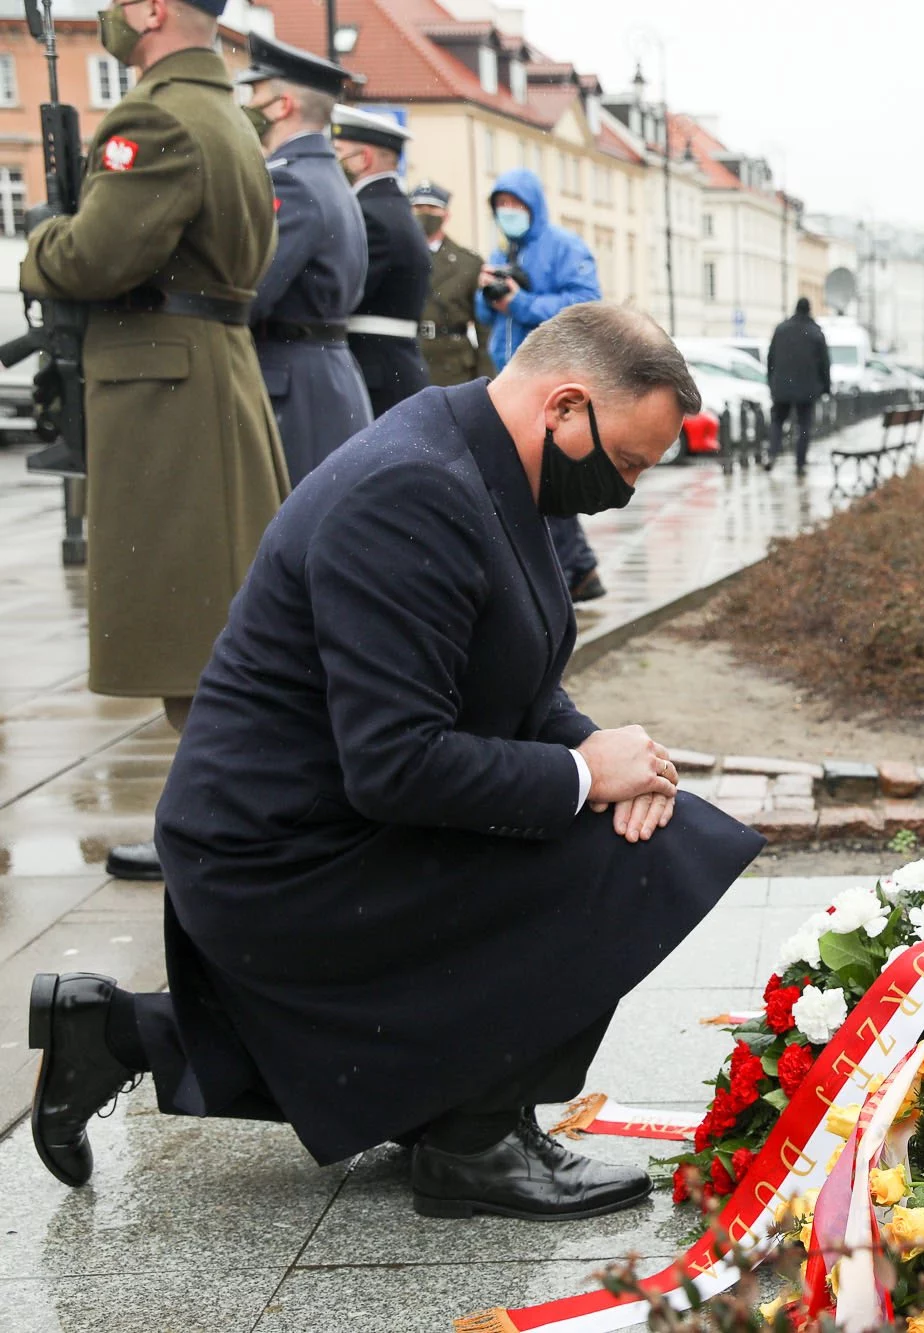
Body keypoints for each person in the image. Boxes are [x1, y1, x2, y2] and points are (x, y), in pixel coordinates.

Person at [26, 303, 766, 1220]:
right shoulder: (414, 490)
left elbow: (509, 679)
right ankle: (474, 1140)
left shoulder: (492, 465)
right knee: (638, 857)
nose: (626, 490)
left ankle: (115, 1032)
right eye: (624, 463)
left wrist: (594, 747)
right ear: (565, 407)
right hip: (277, 858)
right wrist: (583, 779)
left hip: (334, 820)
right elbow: (397, 763)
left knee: (617, 828)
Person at [18, 0, 288, 884]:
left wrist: (41, 241)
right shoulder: (228, 115)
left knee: (196, 635)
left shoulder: (156, 115)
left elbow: (96, 255)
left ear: (154, 10)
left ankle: (227, 835)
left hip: (170, 391)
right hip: (208, 374)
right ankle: (220, 826)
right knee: (214, 625)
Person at [238, 33, 371, 483]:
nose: (248, 106)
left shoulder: (291, 184)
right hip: (322, 373)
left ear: (282, 105)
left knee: (294, 537)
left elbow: (251, 292)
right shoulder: (326, 177)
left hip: (294, 383)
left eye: (256, 93)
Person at [477, 169, 607, 602]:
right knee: (535, 473)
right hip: (512, 376)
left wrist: (524, 301)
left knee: (541, 471)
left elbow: (585, 304)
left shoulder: (564, 248)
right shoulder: (503, 250)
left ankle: (573, 568)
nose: (508, 213)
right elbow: (491, 316)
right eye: (501, 206)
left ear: (533, 206)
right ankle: (577, 568)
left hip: (551, 379)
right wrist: (490, 293)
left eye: (516, 205)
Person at [330, 106, 431, 416]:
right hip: (393, 365)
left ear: (363, 159)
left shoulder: (369, 216)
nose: (334, 161)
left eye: (339, 152)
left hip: (374, 368)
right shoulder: (393, 209)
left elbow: (341, 293)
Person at [409, 181, 494, 387]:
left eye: (432, 209)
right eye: (419, 208)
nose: (425, 214)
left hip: (453, 366)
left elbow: (484, 328)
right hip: (409, 358)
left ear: (446, 215)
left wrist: (486, 379)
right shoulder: (397, 257)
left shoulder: (468, 263)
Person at [765, 296, 829, 476]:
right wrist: (826, 387)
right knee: (804, 425)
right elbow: (824, 363)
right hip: (806, 389)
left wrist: (772, 383)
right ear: (809, 310)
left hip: (782, 387)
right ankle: (800, 463)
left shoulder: (781, 329)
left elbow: (770, 359)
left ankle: (772, 454)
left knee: (777, 422)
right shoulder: (815, 332)